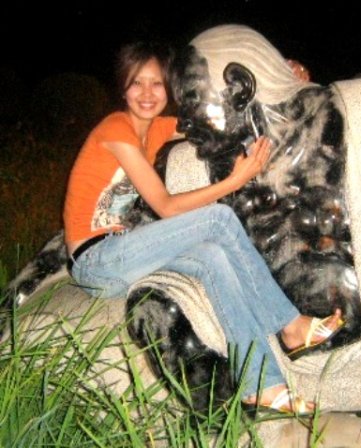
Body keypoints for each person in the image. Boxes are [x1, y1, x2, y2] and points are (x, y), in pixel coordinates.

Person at [62, 41, 343, 413]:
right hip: (96, 260)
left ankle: (262, 383)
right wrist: (234, 181)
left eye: (156, 84)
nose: (147, 93)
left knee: (214, 258)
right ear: (123, 89)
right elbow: (165, 206)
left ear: (169, 89)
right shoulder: (116, 129)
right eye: (136, 83)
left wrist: (278, 79)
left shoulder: (157, 129)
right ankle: (290, 325)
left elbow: (220, 116)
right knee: (218, 219)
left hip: (121, 254)